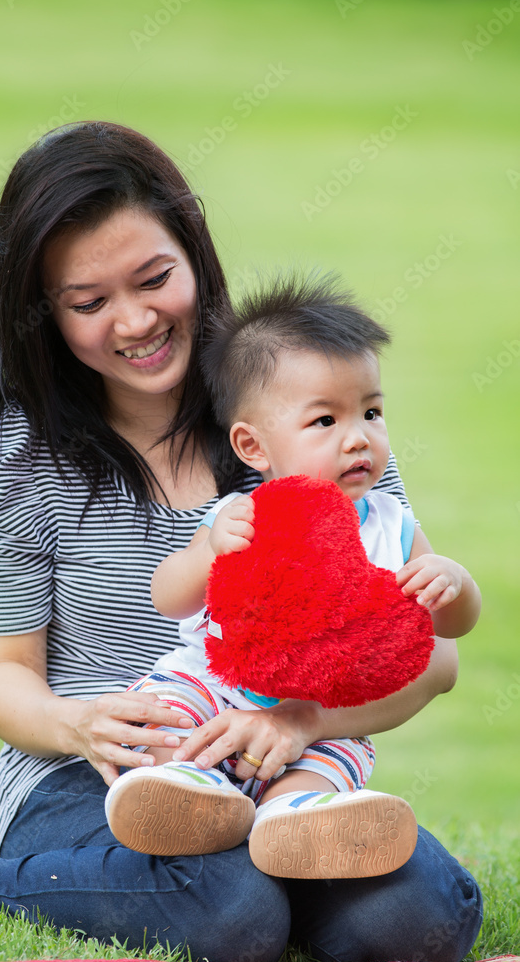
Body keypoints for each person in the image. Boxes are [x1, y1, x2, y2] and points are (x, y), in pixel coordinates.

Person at [0, 121, 483, 962]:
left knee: (414, 919)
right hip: (101, 770)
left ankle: (267, 866)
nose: (136, 321)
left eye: (154, 279)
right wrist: (79, 723)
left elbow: (431, 658)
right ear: (42, 311)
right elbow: (3, 677)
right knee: (228, 911)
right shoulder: (10, 453)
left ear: (194, 254)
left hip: (292, 751)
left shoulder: (300, 400)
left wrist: (298, 719)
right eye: (88, 302)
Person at [104, 274, 481, 881]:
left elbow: (449, 632)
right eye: (325, 421)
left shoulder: (394, 526)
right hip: (217, 689)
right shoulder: (240, 516)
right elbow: (167, 596)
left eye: (372, 411)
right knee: (165, 716)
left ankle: (297, 815)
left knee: (340, 755)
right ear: (253, 446)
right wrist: (209, 556)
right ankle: (186, 792)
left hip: (323, 712)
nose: (359, 436)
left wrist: (454, 584)